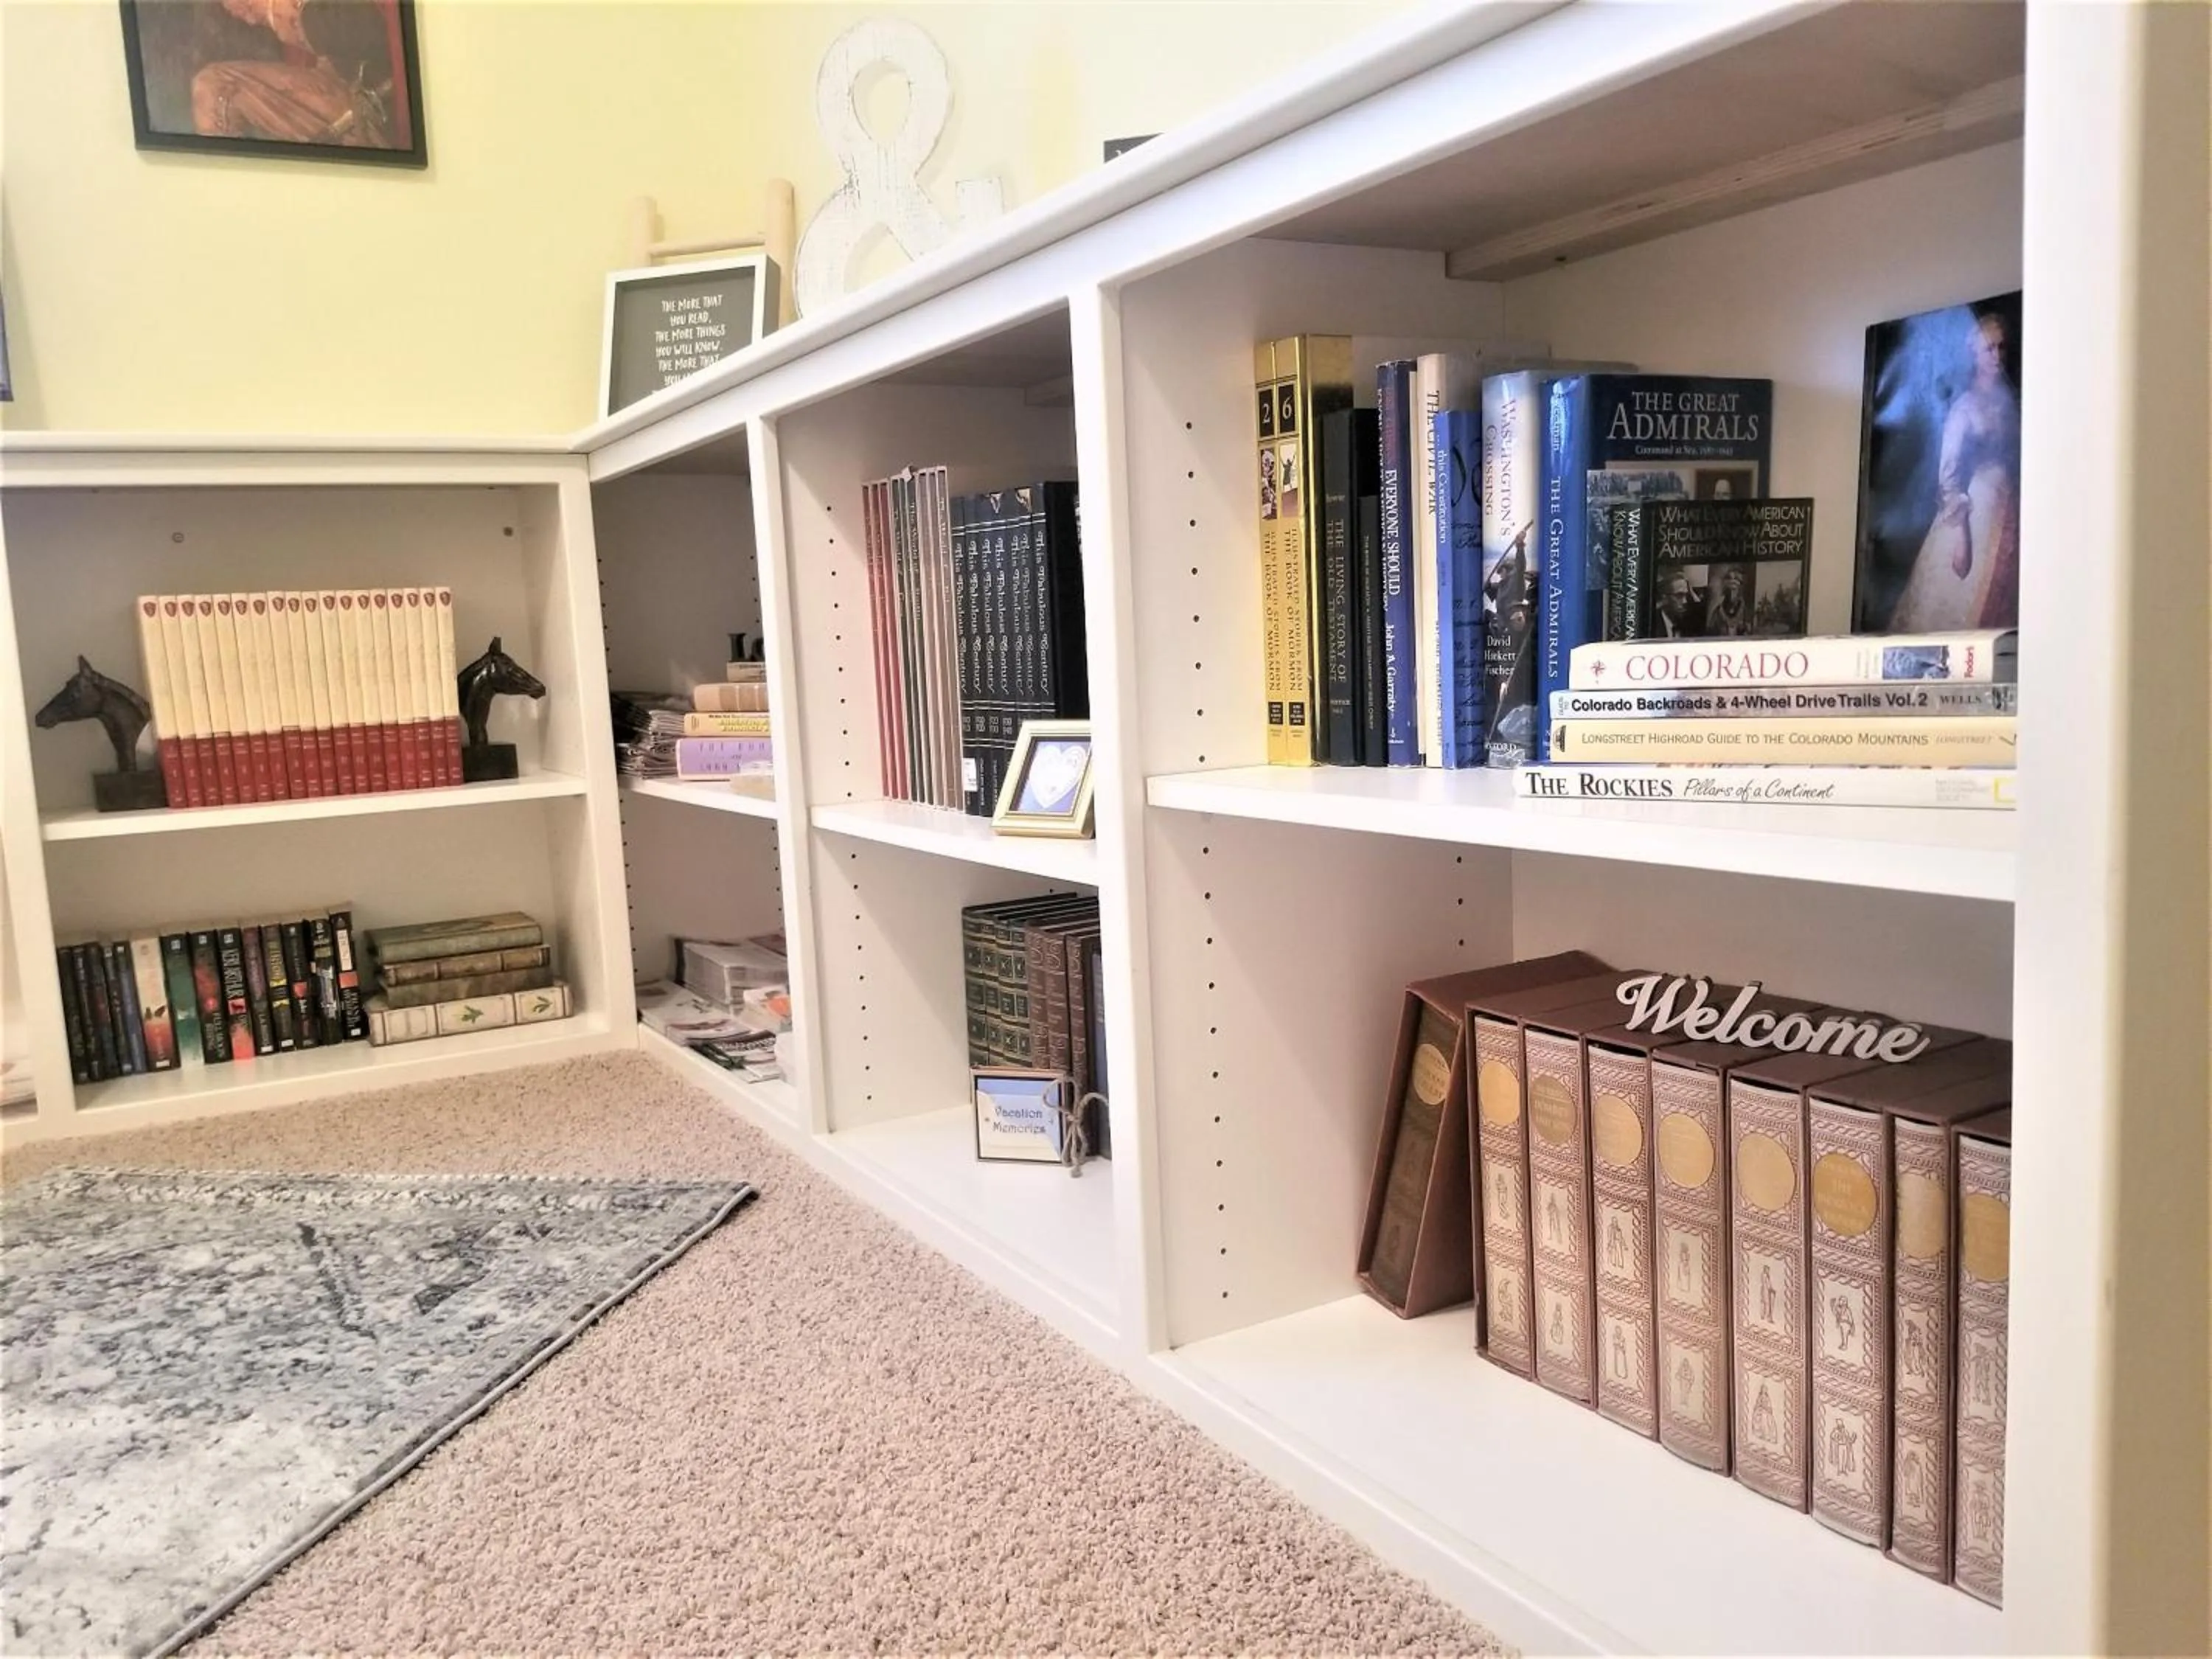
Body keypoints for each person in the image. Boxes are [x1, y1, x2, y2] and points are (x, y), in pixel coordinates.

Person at [1891, 308, 2020, 629]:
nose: (1997, 356)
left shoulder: (2011, 402)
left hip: (2010, 511)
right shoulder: (1964, 408)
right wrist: (1962, 535)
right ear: (1974, 353)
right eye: (1989, 349)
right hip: (1976, 516)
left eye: (2001, 347)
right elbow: (1948, 477)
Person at [190, 0, 406, 150]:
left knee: (215, 84)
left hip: (378, 110)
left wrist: (293, 17)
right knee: (214, 86)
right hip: (343, 98)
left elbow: (376, 32)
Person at [1704, 564, 1752, 636]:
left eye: (1734, 590)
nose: (1732, 594)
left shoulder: (1746, 613)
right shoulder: (1717, 613)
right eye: (1729, 591)